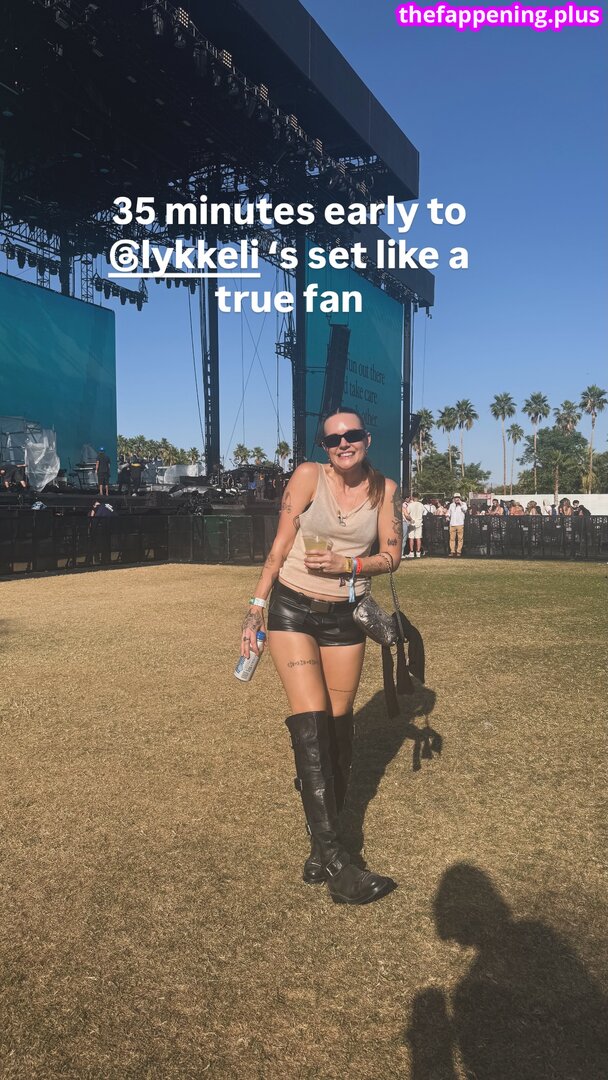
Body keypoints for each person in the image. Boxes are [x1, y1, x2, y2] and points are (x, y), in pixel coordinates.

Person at [239, 408, 402, 906]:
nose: (343, 443)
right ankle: (335, 860)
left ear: (366, 439)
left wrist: (345, 563)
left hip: (346, 618)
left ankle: (318, 846)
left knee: (337, 727)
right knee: (310, 720)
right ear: (324, 447)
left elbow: (392, 556)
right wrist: (256, 606)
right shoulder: (309, 476)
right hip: (292, 610)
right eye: (333, 439)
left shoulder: (385, 489)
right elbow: (280, 543)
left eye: (351, 435)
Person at [404, 491, 425, 558]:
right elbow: (423, 513)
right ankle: (418, 552)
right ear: (418, 497)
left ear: (412, 497)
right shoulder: (421, 505)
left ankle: (411, 552)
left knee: (411, 538)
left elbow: (407, 513)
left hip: (412, 523)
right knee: (418, 538)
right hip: (419, 522)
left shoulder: (410, 505)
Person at [447, 492, 467, 557]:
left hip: (460, 523)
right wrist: (447, 516)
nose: (457, 499)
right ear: (454, 498)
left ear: (460, 498)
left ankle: (459, 551)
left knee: (460, 539)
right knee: (452, 539)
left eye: (458, 497)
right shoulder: (451, 505)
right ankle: (452, 551)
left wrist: (460, 503)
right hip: (452, 523)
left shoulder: (463, 504)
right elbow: (449, 512)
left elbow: (465, 510)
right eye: (455, 497)